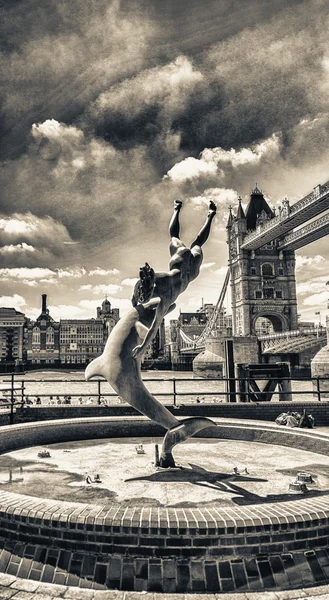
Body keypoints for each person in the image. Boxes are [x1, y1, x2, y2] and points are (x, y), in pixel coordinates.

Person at [85, 200, 217, 467]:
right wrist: (209, 216)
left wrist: (143, 347)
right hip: (118, 358)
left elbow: (153, 321)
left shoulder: (165, 285)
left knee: (180, 239)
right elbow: (146, 307)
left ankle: (173, 428)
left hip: (115, 360)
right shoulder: (185, 266)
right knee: (188, 240)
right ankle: (175, 428)